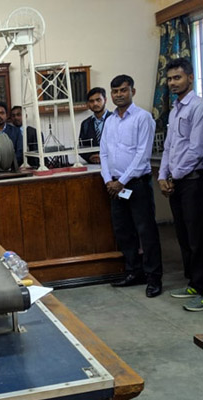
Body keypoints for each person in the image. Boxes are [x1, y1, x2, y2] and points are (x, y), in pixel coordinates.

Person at [100, 75, 163, 297]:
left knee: (146, 232)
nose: (119, 94)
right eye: (115, 91)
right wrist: (109, 180)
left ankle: (154, 278)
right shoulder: (110, 121)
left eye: (123, 90)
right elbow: (104, 153)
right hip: (114, 186)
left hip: (136, 185)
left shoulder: (143, 118)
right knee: (123, 231)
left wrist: (121, 182)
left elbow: (142, 155)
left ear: (132, 92)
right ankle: (134, 272)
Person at [158, 58, 203, 311]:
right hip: (176, 182)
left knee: (198, 238)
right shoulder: (175, 109)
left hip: (193, 181)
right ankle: (194, 284)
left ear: (190, 77)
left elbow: (196, 149)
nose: (173, 83)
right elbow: (169, 147)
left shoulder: (198, 107)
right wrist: (163, 176)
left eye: (178, 77)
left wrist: (174, 177)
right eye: (170, 79)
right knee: (184, 237)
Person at [78, 88, 112, 164]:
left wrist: (104, 156)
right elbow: (81, 147)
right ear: (88, 104)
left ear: (105, 100)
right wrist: (90, 157)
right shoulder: (85, 124)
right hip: (94, 167)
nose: (95, 103)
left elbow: (123, 145)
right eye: (91, 101)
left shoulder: (115, 120)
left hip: (115, 165)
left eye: (98, 100)